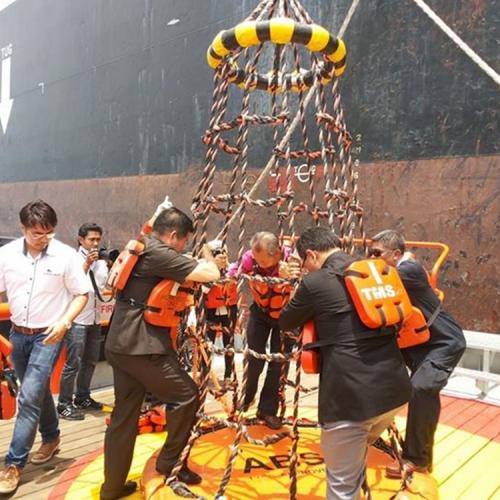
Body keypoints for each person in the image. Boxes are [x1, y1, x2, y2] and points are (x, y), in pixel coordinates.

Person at [279, 227, 412, 500]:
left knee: (342, 488)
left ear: (311, 255)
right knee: (354, 462)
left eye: (304, 263)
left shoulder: (315, 282)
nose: (305, 268)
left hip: (351, 399)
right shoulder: (372, 270)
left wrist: (294, 284)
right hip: (395, 390)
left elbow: (286, 320)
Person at [101, 207, 220, 500]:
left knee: (124, 416)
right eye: (184, 241)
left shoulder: (144, 246)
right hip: (142, 346)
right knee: (187, 395)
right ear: (174, 235)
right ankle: (169, 465)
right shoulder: (159, 253)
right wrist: (207, 253)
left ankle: (112, 488)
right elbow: (211, 273)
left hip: (120, 342)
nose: (183, 247)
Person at [0, 200, 89, 495]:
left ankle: (14, 464)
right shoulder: (6, 255)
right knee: (35, 390)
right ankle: (51, 438)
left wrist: (65, 322)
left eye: (49, 232)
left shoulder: (65, 256)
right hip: (17, 333)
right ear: (23, 228)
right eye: (37, 233)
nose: (43, 239)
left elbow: (82, 293)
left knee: (28, 397)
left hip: (49, 334)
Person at [369, 229, 466, 478]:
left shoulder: (408, 270)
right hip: (415, 344)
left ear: (396, 254)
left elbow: (372, 282)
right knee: (375, 374)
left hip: (443, 343)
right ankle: (370, 434)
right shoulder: (393, 269)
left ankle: (417, 459)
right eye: (370, 253)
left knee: (421, 389)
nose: (372, 258)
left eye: (377, 253)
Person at [228, 231, 300, 430]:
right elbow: (234, 272)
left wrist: (291, 278)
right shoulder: (249, 260)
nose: (258, 263)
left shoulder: (292, 260)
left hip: (285, 315)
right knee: (254, 358)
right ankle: (246, 398)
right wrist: (227, 272)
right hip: (260, 312)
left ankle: (267, 410)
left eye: (263, 261)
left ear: (276, 253)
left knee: (278, 363)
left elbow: (304, 287)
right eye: (256, 259)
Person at [57, 223, 109, 420]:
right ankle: (63, 403)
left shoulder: (101, 263)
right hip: (77, 318)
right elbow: (71, 285)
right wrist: (87, 264)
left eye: (98, 239)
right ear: (81, 239)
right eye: (91, 239)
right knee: (73, 363)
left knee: (90, 361)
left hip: (95, 318)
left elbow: (103, 287)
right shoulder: (71, 259)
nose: (95, 243)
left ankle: (83, 397)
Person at [203, 239, 238, 384]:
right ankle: (205, 373)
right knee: (207, 343)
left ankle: (228, 375)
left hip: (229, 309)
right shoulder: (206, 271)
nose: (220, 256)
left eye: (222, 252)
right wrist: (213, 271)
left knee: (228, 344)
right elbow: (203, 290)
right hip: (211, 310)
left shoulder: (232, 269)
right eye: (216, 253)